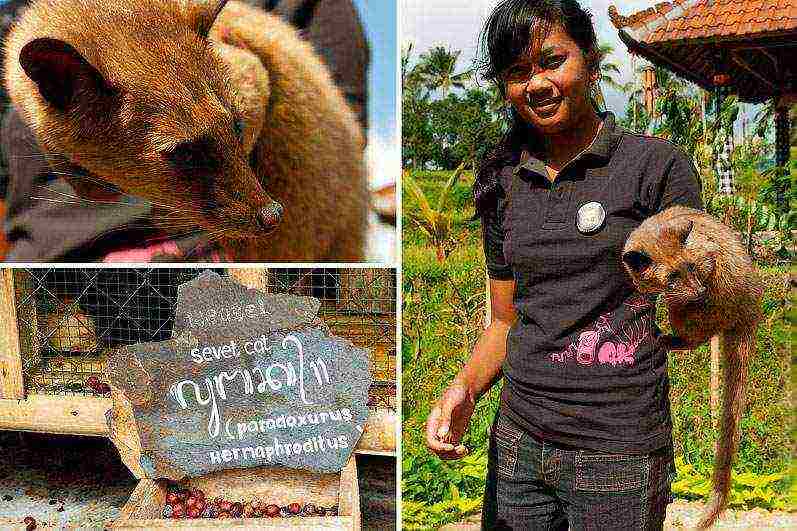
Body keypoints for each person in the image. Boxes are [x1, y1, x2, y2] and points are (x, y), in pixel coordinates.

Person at [424, 1, 702, 529]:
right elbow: (505, 321)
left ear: (591, 62)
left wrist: (697, 299)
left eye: (552, 61)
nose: (538, 84)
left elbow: (698, 293)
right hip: (518, 446)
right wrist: (462, 388)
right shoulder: (504, 180)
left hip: (617, 455)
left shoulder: (655, 168)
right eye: (518, 72)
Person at [0, 0, 368, 261]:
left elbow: (346, 118)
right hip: (56, 267)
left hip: (233, 253)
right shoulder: (37, 37)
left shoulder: (215, 27)